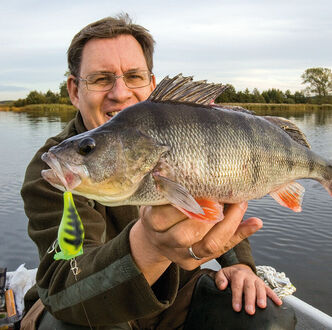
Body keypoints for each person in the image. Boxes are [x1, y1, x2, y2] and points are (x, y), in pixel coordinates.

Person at [20, 14, 294, 329]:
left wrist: (241, 266)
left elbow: (222, 191)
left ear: (151, 85)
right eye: (100, 79)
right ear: (73, 90)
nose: (119, 93)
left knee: (265, 318)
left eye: (133, 76)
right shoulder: (62, 165)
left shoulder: (181, 133)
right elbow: (66, 286)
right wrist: (149, 245)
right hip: (90, 305)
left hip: (177, 294)